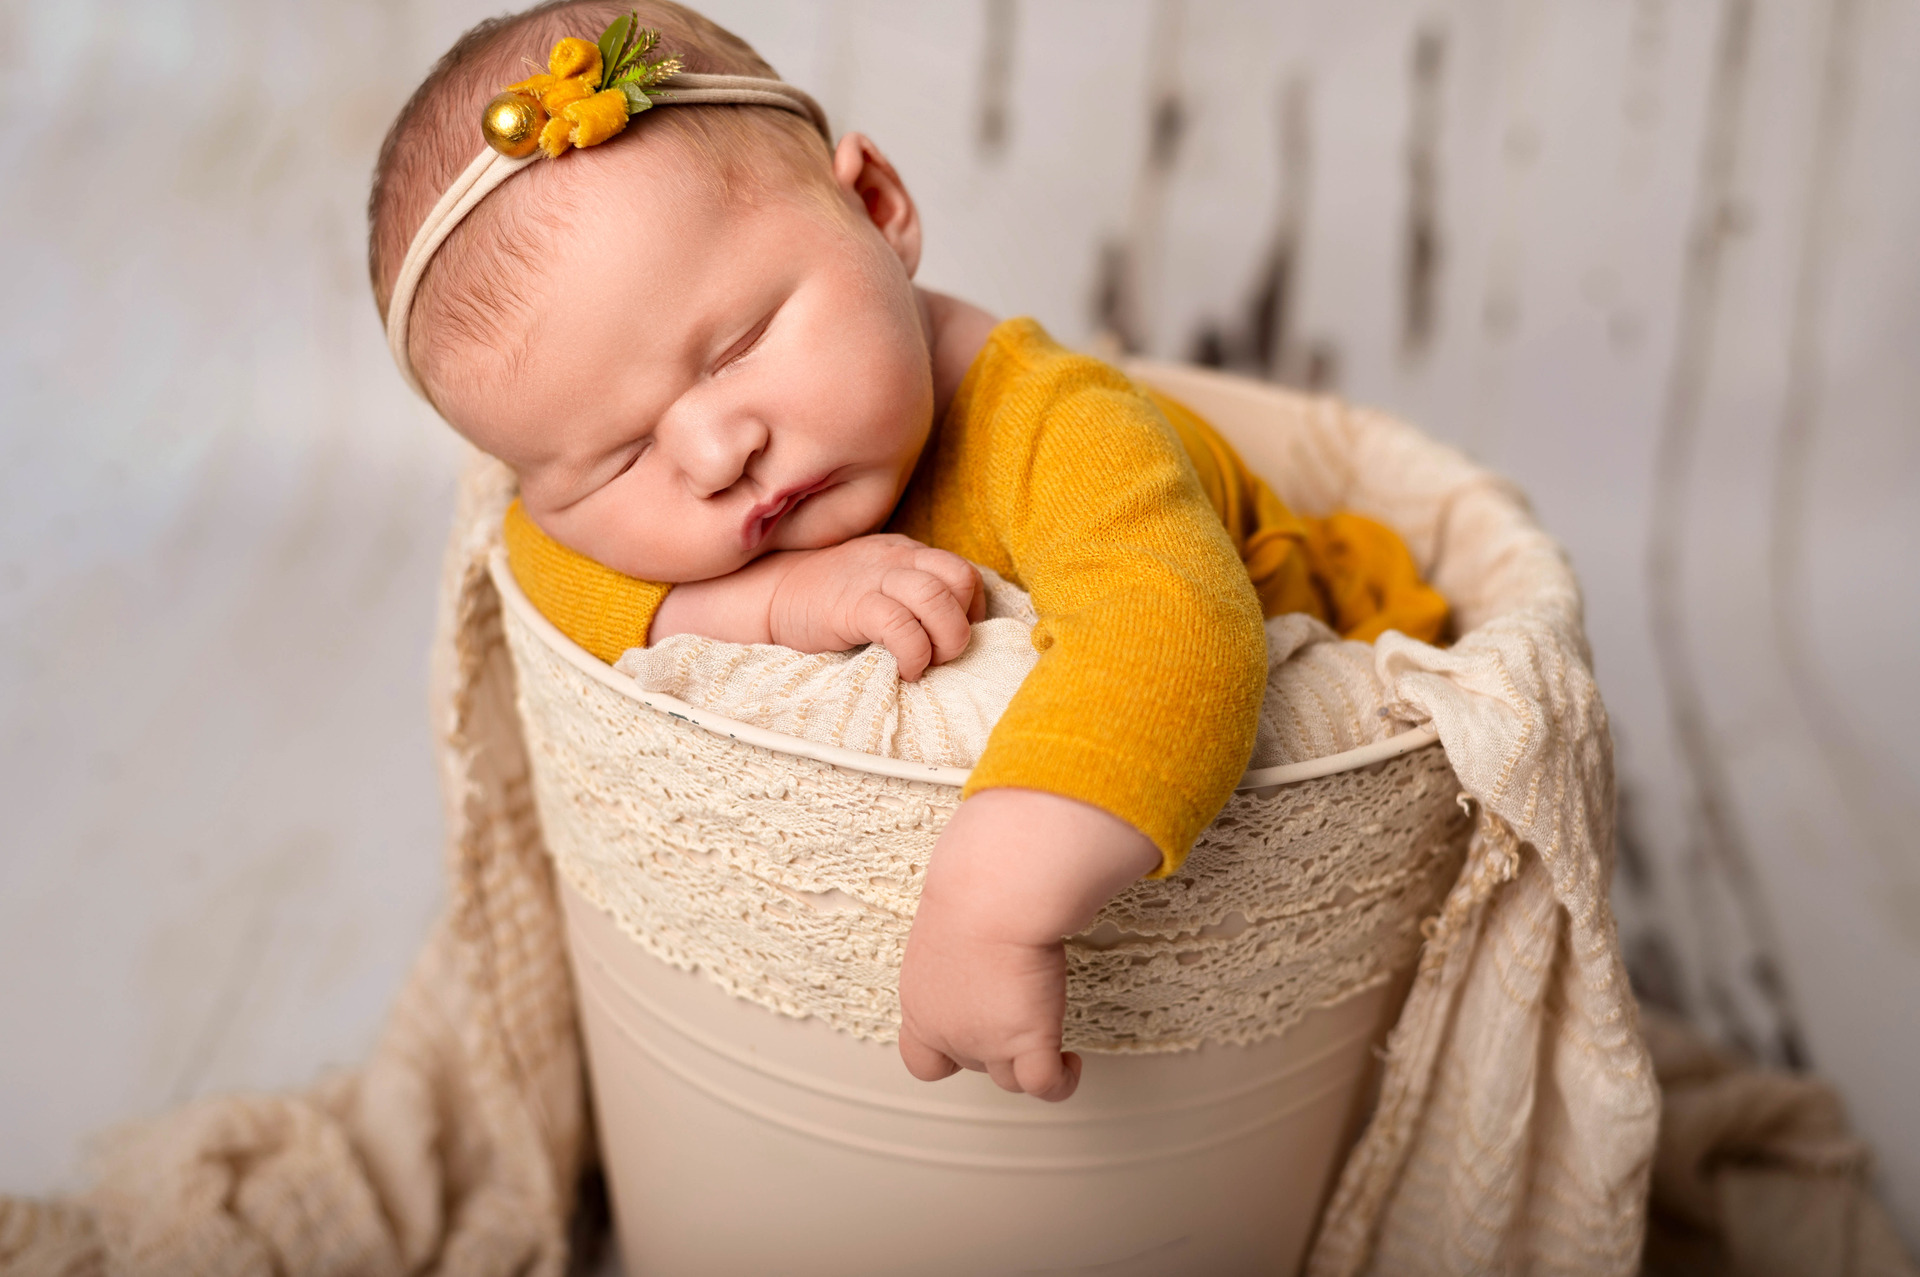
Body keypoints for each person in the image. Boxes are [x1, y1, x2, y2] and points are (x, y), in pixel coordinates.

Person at [369, 0, 1445, 1105]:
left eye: (737, 348)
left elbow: (1174, 631)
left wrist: (993, 894)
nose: (712, 451)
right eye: (618, 454)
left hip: (1332, 662)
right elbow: (539, 550)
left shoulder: (1055, 424)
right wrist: (778, 598)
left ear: (878, 209)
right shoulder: (621, 502)